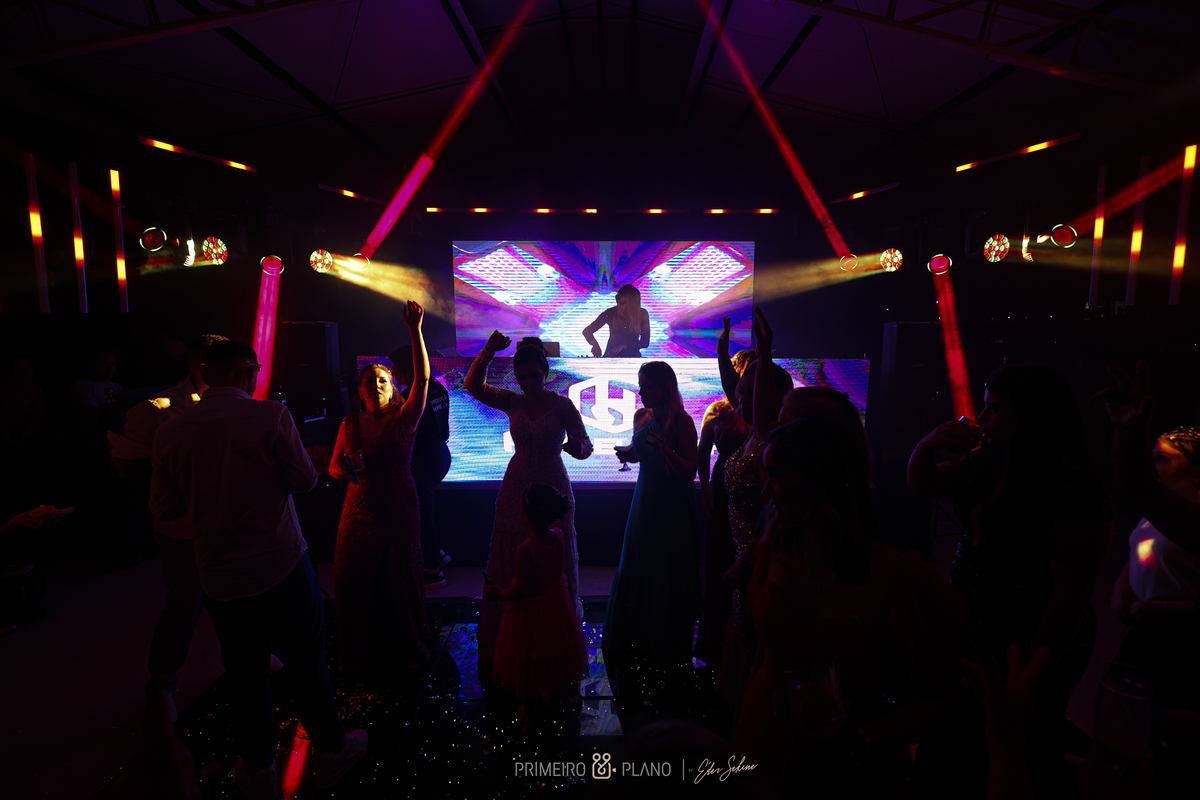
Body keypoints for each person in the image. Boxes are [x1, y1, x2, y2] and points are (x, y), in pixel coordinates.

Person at [151, 340, 366, 797]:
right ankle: (333, 750)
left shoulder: (171, 432)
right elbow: (305, 482)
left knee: (244, 673)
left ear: (206, 372)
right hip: (281, 562)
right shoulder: (271, 416)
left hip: (220, 574)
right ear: (248, 370)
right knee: (307, 661)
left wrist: (212, 508)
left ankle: (259, 770)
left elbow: (164, 508)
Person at [908, 362, 1112, 793]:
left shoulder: (1072, 486)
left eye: (996, 408)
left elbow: (1069, 594)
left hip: (1030, 629)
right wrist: (929, 444)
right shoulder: (994, 457)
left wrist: (1034, 670)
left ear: (1032, 416)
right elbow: (924, 484)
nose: (982, 418)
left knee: (1019, 738)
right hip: (977, 617)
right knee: (961, 732)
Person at [735, 419, 965, 795]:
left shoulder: (895, 574)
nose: (764, 490)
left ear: (820, 479)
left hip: (847, 761)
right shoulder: (777, 549)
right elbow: (763, 653)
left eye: (776, 476)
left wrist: (860, 737)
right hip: (764, 733)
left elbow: (945, 699)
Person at [466, 331, 593, 685]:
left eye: (533, 376)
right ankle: (511, 633)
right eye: (521, 378)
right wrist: (488, 351)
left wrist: (577, 449)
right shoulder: (513, 401)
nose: (528, 383)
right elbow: (474, 386)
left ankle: (553, 637)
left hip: (552, 483)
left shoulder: (563, 406)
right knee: (513, 553)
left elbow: (586, 445)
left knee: (552, 557)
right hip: (517, 486)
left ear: (545, 372)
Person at [109, 333, 228, 701]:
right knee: (186, 602)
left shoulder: (237, 403)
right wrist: (178, 475)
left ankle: (245, 662)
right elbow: (122, 465)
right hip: (183, 530)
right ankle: (162, 679)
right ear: (203, 367)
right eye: (233, 365)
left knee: (234, 596)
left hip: (228, 524)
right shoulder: (158, 407)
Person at [328, 302, 434, 682]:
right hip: (358, 508)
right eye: (369, 381)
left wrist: (415, 330)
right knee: (350, 580)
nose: (376, 385)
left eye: (383, 381)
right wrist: (341, 468)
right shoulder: (349, 422)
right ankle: (359, 654)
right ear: (359, 391)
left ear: (393, 389)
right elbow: (333, 466)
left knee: (399, 580)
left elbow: (423, 379)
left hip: (397, 506)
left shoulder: (403, 418)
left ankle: (408, 649)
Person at [1092, 362, 1200, 714]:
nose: (1151, 464)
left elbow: (1139, 487)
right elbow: (1145, 545)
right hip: (1147, 632)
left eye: (1162, 459)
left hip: (1185, 648)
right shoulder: (1162, 511)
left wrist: (1163, 610)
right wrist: (1124, 583)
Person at [603, 361, 701, 701]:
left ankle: (665, 640)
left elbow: (690, 472)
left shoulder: (683, 422)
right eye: (640, 383)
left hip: (672, 504)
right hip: (645, 500)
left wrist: (666, 451)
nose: (641, 390)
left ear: (664, 387)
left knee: (666, 566)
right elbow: (640, 453)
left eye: (646, 384)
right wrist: (629, 452)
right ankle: (637, 636)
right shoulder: (642, 416)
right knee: (638, 560)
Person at [486, 484, 587, 720]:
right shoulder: (559, 535)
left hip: (531, 614)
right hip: (557, 608)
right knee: (553, 650)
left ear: (528, 514)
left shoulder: (525, 550)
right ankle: (553, 697)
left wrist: (496, 593)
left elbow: (520, 591)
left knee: (532, 657)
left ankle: (531, 709)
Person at [389, 343, 452, 590]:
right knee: (424, 508)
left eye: (394, 368)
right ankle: (435, 552)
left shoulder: (411, 397)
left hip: (424, 458)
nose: (393, 374)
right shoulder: (439, 388)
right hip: (440, 454)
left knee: (421, 512)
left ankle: (433, 570)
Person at [582, 284, 651, 358]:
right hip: (611, 357)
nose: (623, 308)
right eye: (621, 303)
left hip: (632, 358)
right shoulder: (610, 313)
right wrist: (595, 345)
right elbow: (587, 331)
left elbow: (645, 343)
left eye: (628, 306)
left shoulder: (642, 314)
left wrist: (625, 346)